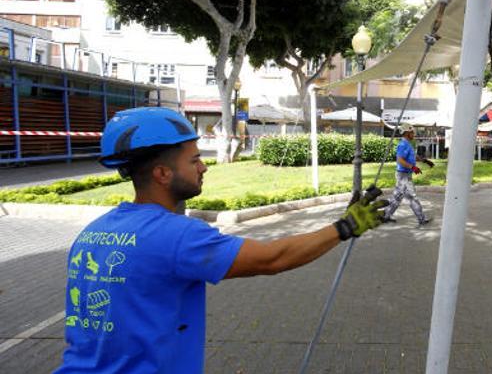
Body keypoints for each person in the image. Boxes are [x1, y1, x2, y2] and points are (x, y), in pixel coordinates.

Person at [55, 107, 388, 373]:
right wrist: (345, 227)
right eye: (194, 159)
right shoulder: (177, 237)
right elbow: (273, 258)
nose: (204, 167)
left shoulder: (93, 233)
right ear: (162, 173)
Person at [382, 123, 432, 226]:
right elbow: (400, 160)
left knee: (397, 197)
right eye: (411, 132)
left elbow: (413, 157)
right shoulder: (403, 144)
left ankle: (385, 216)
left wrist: (425, 161)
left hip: (404, 175)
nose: (413, 134)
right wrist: (413, 167)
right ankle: (421, 219)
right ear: (406, 133)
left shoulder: (408, 144)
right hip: (403, 175)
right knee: (412, 197)